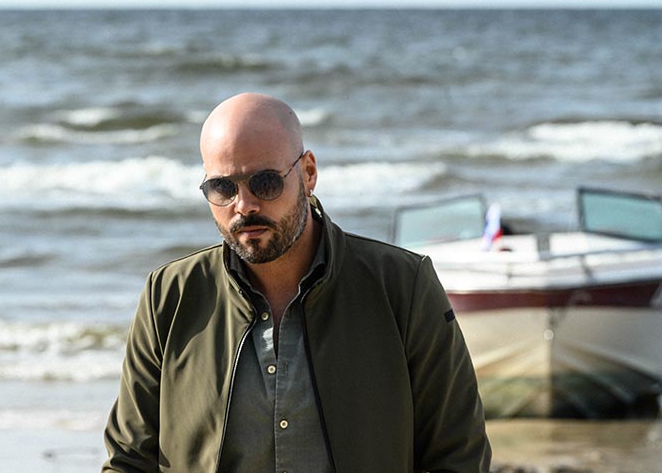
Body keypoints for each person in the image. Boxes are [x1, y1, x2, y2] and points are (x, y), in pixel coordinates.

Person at [103, 93, 491, 472]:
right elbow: (129, 461)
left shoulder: (402, 287)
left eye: (265, 182)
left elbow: (458, 454)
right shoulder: (168, 297)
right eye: (223, 187)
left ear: (308, 174)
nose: (244, 205)